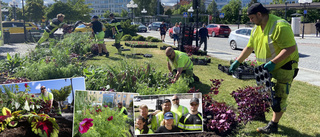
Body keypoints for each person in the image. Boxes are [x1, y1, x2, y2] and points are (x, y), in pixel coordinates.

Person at [229, 3, 299, 134]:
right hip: (267, 69)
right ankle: (263, 115)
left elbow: (290, 48)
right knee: (266, 94)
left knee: (279, 97)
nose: (250, 20)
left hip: (284, 66)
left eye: (251, 17)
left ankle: (273, 124)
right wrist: (237, 62)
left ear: (259, 14)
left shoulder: (280, 25)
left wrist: (273, 62)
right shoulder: (256, 28)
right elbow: (249, 47)